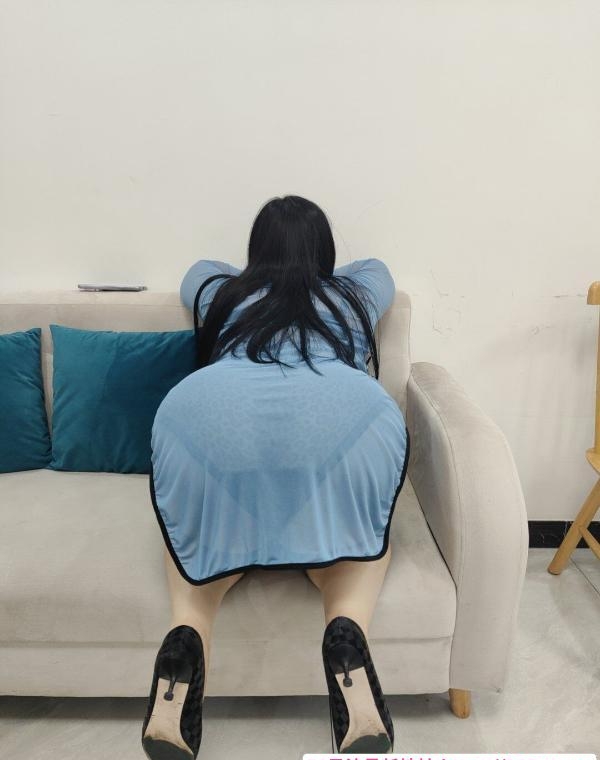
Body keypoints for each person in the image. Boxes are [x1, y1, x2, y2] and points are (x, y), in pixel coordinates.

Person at [141, 194, 410, 759]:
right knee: (360, 548)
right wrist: (314, 273)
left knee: (192, 539)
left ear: (255, 250)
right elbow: (379, 269)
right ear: (325, 252)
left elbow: (197, 269)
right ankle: (346, 632)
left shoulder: (223, 293)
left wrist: (260, 273)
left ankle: (187, 636)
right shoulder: (350, 295)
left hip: (211, 413)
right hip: (341, 413)